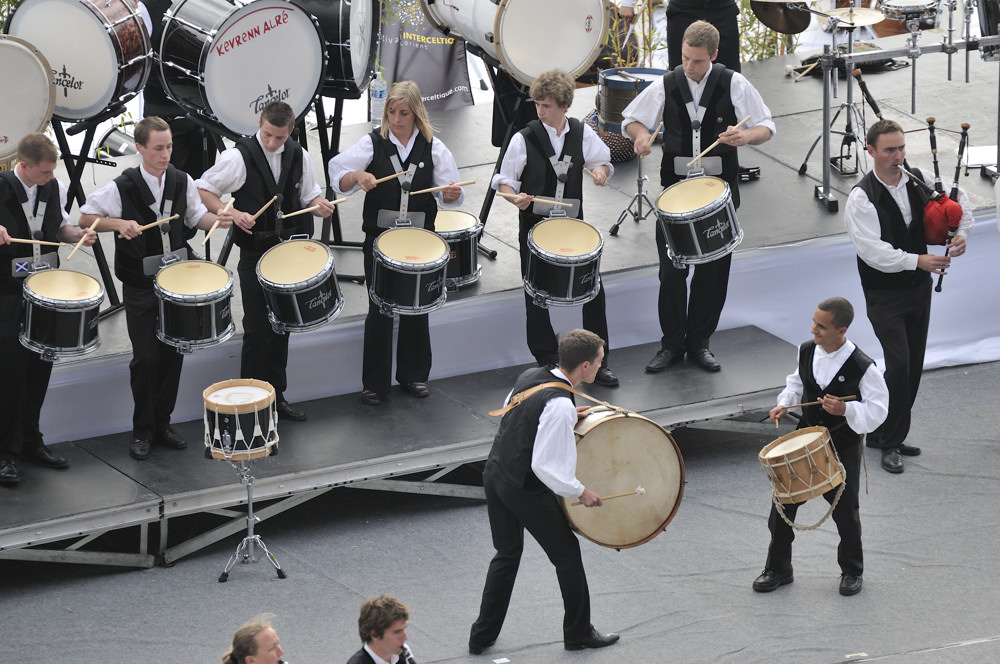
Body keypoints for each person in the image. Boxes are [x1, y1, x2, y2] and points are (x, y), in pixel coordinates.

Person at [621, 20, 774, 374]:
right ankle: (671, 344)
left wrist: (745, 137)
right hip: (675, 193)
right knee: (672, 272)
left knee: (714, 272)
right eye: (685, 58)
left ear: (714, 55)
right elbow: (632, 119)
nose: (689, 67)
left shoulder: (734, 82)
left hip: (718, 193)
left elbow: (766, 125)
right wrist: (641, 136)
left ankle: (700, 342)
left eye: (698, 61)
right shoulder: (668, 83)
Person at [80, 116, 232, 460]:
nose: (166, 154)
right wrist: (119, 223)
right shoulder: (123, 186)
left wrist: (219, 219)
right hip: (140, 284)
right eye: (159, 148)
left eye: (170, 147)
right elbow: (86, 217)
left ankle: (162, 424)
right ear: (140, 149)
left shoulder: (181, 180)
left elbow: (196, 217)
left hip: (176, 283)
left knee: (172, 354)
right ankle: (141, 430)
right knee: (146, 358)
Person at [469, 329, 620, 654]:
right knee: (567, 555)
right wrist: (580, 491)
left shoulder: (530, 376)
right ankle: (578, 632)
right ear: (583, 365)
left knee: (507, 554)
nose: (599, 367)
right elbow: (545, 466)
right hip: (523, 486)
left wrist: (563, 418)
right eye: (598, 362)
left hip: (495, 473)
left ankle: (480, 637)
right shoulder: (560, 405)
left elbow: (515, 411)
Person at [844, 119, 973, 473]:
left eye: (901, 148)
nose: (898, 156)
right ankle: (889, 442)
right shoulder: (861, 198)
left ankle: (887, 430)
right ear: (870, 151)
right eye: (889, 150)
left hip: (918, 289)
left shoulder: (919, 180)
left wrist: (960, 233)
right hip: (884, 293)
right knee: (898, 363)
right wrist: (918, 260)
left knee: (913, 365)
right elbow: (873, 251)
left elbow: (959, 205)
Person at [328, 81, 464, 407]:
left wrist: (450, 194)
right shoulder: (372, 143)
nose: (397, 118)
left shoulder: (433, 147)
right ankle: (374, 384)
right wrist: (357, 178)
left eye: (403, 112)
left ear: (416, 113)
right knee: (380, 308)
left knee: (417, 305)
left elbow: (452, 192)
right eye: (392, 111)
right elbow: (338, 173)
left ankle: (414, 375)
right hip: (379, 241)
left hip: (420, 241)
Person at [197, 101, 336, 422]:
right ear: (259, 123)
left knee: (281, 327)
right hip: (255, 254)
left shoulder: (299, 154)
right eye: (267, 135)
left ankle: (276, 397)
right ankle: (250, 403)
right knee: (257, 330)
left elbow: (310, 195)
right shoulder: (237, 157)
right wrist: (229, 211)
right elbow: (203, 189)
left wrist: (319, 205)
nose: (273, 143)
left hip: (288, 253)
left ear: (290, 131)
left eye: (279, 137)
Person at [492, 69, 619, 387]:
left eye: (545, 105)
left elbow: (601, 161)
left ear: (563, 106)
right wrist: (515, 198)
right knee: (535, 293)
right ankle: (547, 359)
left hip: (573, 226)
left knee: (592, 292)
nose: (539, 110)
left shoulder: (580, 132)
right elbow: (503, 182)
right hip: (535, 227)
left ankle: (598, 360)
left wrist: (602, 172)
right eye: (537, 104)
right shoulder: (524, 138)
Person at [754, 297, 889, 597]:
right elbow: (796, 384)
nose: (813, 329)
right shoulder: (806, 350)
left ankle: (852, 571)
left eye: (821, 326)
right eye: (814, 322)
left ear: (841, 330)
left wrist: (847, 411)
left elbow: (879, 413)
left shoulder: (864, 368)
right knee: (781, 507)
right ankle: (778, 569)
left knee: (845, 512)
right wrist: (783, 404)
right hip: (805, 439)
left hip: (841, 445)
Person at [0, 133, 97, 484]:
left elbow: (60, 227)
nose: (50, 177)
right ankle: (5, 453)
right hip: (7, 294)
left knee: (39, 369)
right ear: (23, 165)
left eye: (52, 171)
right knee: (9, 376)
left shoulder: (52, 188)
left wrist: (79, 236)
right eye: (43, 172)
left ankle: (30, 441)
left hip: (45, 291)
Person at [618, 0, 740, 72]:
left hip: (723, 9)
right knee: (681, 72)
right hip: (683, 10)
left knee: (729, 73)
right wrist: (628, 3)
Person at [347, 595, 413, 664]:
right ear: (375, 635)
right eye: (397, 632)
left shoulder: (402, 652)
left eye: (403, 629)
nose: (405, 638)